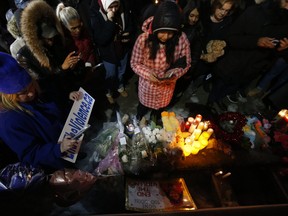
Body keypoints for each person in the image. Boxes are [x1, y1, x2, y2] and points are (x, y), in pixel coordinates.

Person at [0, 52, 81, 172]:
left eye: (30, 86)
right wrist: (58, 148)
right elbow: (30, 154)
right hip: (61, 167)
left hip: (77, 146)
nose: (31, 93)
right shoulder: (8, 122)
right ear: (8, 96)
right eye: (22, 93)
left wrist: (67, 97)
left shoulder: (39, 90)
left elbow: (55, 106)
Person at [207, 0, 288, 110]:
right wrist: (256, 41)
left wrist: (282, 49)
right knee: (218, 87)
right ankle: (210, 102)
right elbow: (231, 38)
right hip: (233, 63)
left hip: (251, 70)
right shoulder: (254, 12)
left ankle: (218, 99)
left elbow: (277, 54)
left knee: (231, 89)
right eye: (286, 2)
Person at [17, 0, 81, 115]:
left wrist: (74, 66)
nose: (51, 42)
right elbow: (41, 86)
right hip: (56, 104)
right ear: (36, 38)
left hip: (74, 94)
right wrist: (61, 69)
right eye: (47, 39)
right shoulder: (24, 56)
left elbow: (68, 73)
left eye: (52, 37)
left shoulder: (57, 42)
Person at [130, 0, 191, 121]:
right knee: (142, 106)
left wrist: (174, 74)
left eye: (170, 33)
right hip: (148, 85)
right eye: (162, 32)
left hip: (167, 87)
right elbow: (134, 63)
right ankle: (140, 116)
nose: (166, 37)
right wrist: (148, 74)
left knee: (160, 109)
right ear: (156, 27)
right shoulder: (143, 39)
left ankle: (156, 117)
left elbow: (186, 63)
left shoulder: (181, 39)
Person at [90, 0, 135, 104]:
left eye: (116, 6)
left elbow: (130, 24)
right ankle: (108, 92)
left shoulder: (123, 7)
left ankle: (120, 87)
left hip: (122, 49)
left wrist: (128, 33)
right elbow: (101, 39)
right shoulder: (95, 13)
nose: (114, 10)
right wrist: (109, 21)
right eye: (111, 7)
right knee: (111, 74)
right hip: (108, 52)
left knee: (121, 71)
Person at [171, 0, 204, 103]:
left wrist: (190, 70)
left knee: (176, 89)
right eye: (192, 15)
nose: (194, 19)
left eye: (197, 17)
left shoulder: (198, 30)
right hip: (171, 62)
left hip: (183, 66)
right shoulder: (178, 25)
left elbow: (195, 53)